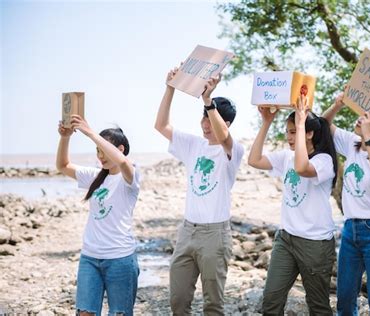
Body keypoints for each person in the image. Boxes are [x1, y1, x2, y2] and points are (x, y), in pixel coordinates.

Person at [154, 67, 244, 315]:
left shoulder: (234, 150)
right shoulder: (193, 144)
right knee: (178, 300)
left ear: (224, 122)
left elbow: (225, 137)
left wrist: (208, 100)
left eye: (210, 118)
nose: (205, 124)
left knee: (213, 304)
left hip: (215, 234)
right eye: (203, 117)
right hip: (187, 231)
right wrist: (170, 87)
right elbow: (161, 125)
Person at [248, 96, 338, 315]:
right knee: (271, 300)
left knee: (318, 306)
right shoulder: (286, 157)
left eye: (294, 132)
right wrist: (266, 122)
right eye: (288, 132)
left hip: (315, 244)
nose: (289, 136)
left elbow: (301, 168)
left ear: (310, 134)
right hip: (286, 239)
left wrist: (301, 122)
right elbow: (254, 160)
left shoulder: (324, 161)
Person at [322, 93, 370, 315]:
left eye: (367, 117)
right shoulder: (351, 144)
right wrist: (336, 104)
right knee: (345, 299)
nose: (360, 118)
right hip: (350, 231)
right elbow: (322, 125)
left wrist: (369, 141)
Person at [56, 114, 140, 316]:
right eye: (97, 151)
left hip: (120, 259)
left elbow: (124, 163)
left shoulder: (130, 176)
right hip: (90, 258)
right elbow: (62, 165)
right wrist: (65, 137)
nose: (100, 156)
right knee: (84, 313)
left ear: (120, 150)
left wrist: (91, 133)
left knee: (119, 313)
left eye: (104, 150)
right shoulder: (95, 176)